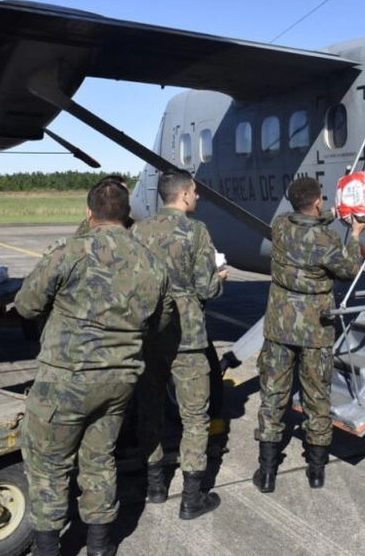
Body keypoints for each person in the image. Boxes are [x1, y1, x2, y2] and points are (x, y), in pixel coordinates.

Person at [15, 179, 170, 556]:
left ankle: (49, 547)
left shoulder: (70, 252)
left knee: (48, 464)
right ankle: (101, 544)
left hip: (66, 380)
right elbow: (160, 322)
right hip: (119, 381)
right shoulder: (151, 262)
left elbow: (27, 304)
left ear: (89, 214)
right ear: (127, 214)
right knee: (100, 460)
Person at [253, 177, 365, 493]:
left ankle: (266, 473)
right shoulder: (327, 240)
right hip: (315, 328)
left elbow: (304, 220)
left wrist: (331, 212)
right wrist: (355, 233)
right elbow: (349, 270)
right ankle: (316, 472)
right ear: (317, 201)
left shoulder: (279, 226)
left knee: (273, 396)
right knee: (317, 397)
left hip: (279, 326)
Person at [131, 170, 227, 520]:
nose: (197, 198)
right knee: (195, 417)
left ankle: (155, 486)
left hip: (150, 333)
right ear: (184, 195)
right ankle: (191, 497)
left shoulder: (139, 230)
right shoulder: (196, 231)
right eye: (195, 192)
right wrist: (219, 280)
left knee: (150, 409)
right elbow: (205, 288)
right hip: (187, 336)